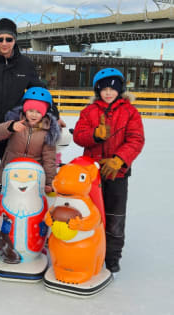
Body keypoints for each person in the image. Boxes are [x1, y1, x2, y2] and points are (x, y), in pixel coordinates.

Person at [0, 17, 61, 190]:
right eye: (0, 39)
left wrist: (54, 115)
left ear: (15, 40)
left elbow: (40, 92)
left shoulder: (25, 65)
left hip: (15, 135)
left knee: (16, 183)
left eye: (9, 39)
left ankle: (6, 216)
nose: (4, 43)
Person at [73, 68, 145, 274]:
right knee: (90, 213)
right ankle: (90, 250)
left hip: (117, 174)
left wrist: (119, 160)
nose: (108, 92)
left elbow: (136, 139)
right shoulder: (89, 111)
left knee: (114, 217)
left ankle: (112, 257)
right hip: (92, 174)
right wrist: (94, 135)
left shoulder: (130, 112)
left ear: (120, 89)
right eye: (103, 89)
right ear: (97, 90)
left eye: (112, 88)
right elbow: (79, 135)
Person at [0, 87, 60, 191]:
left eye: (38, 112)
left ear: (44, 113)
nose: (34, 115)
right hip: (11, 175)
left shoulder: (47, 132)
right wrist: (10, 127)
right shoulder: (15, 122)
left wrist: (50, 183)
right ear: (24, 110)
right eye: (30, 110)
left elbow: (49, 160)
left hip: (33, 178)